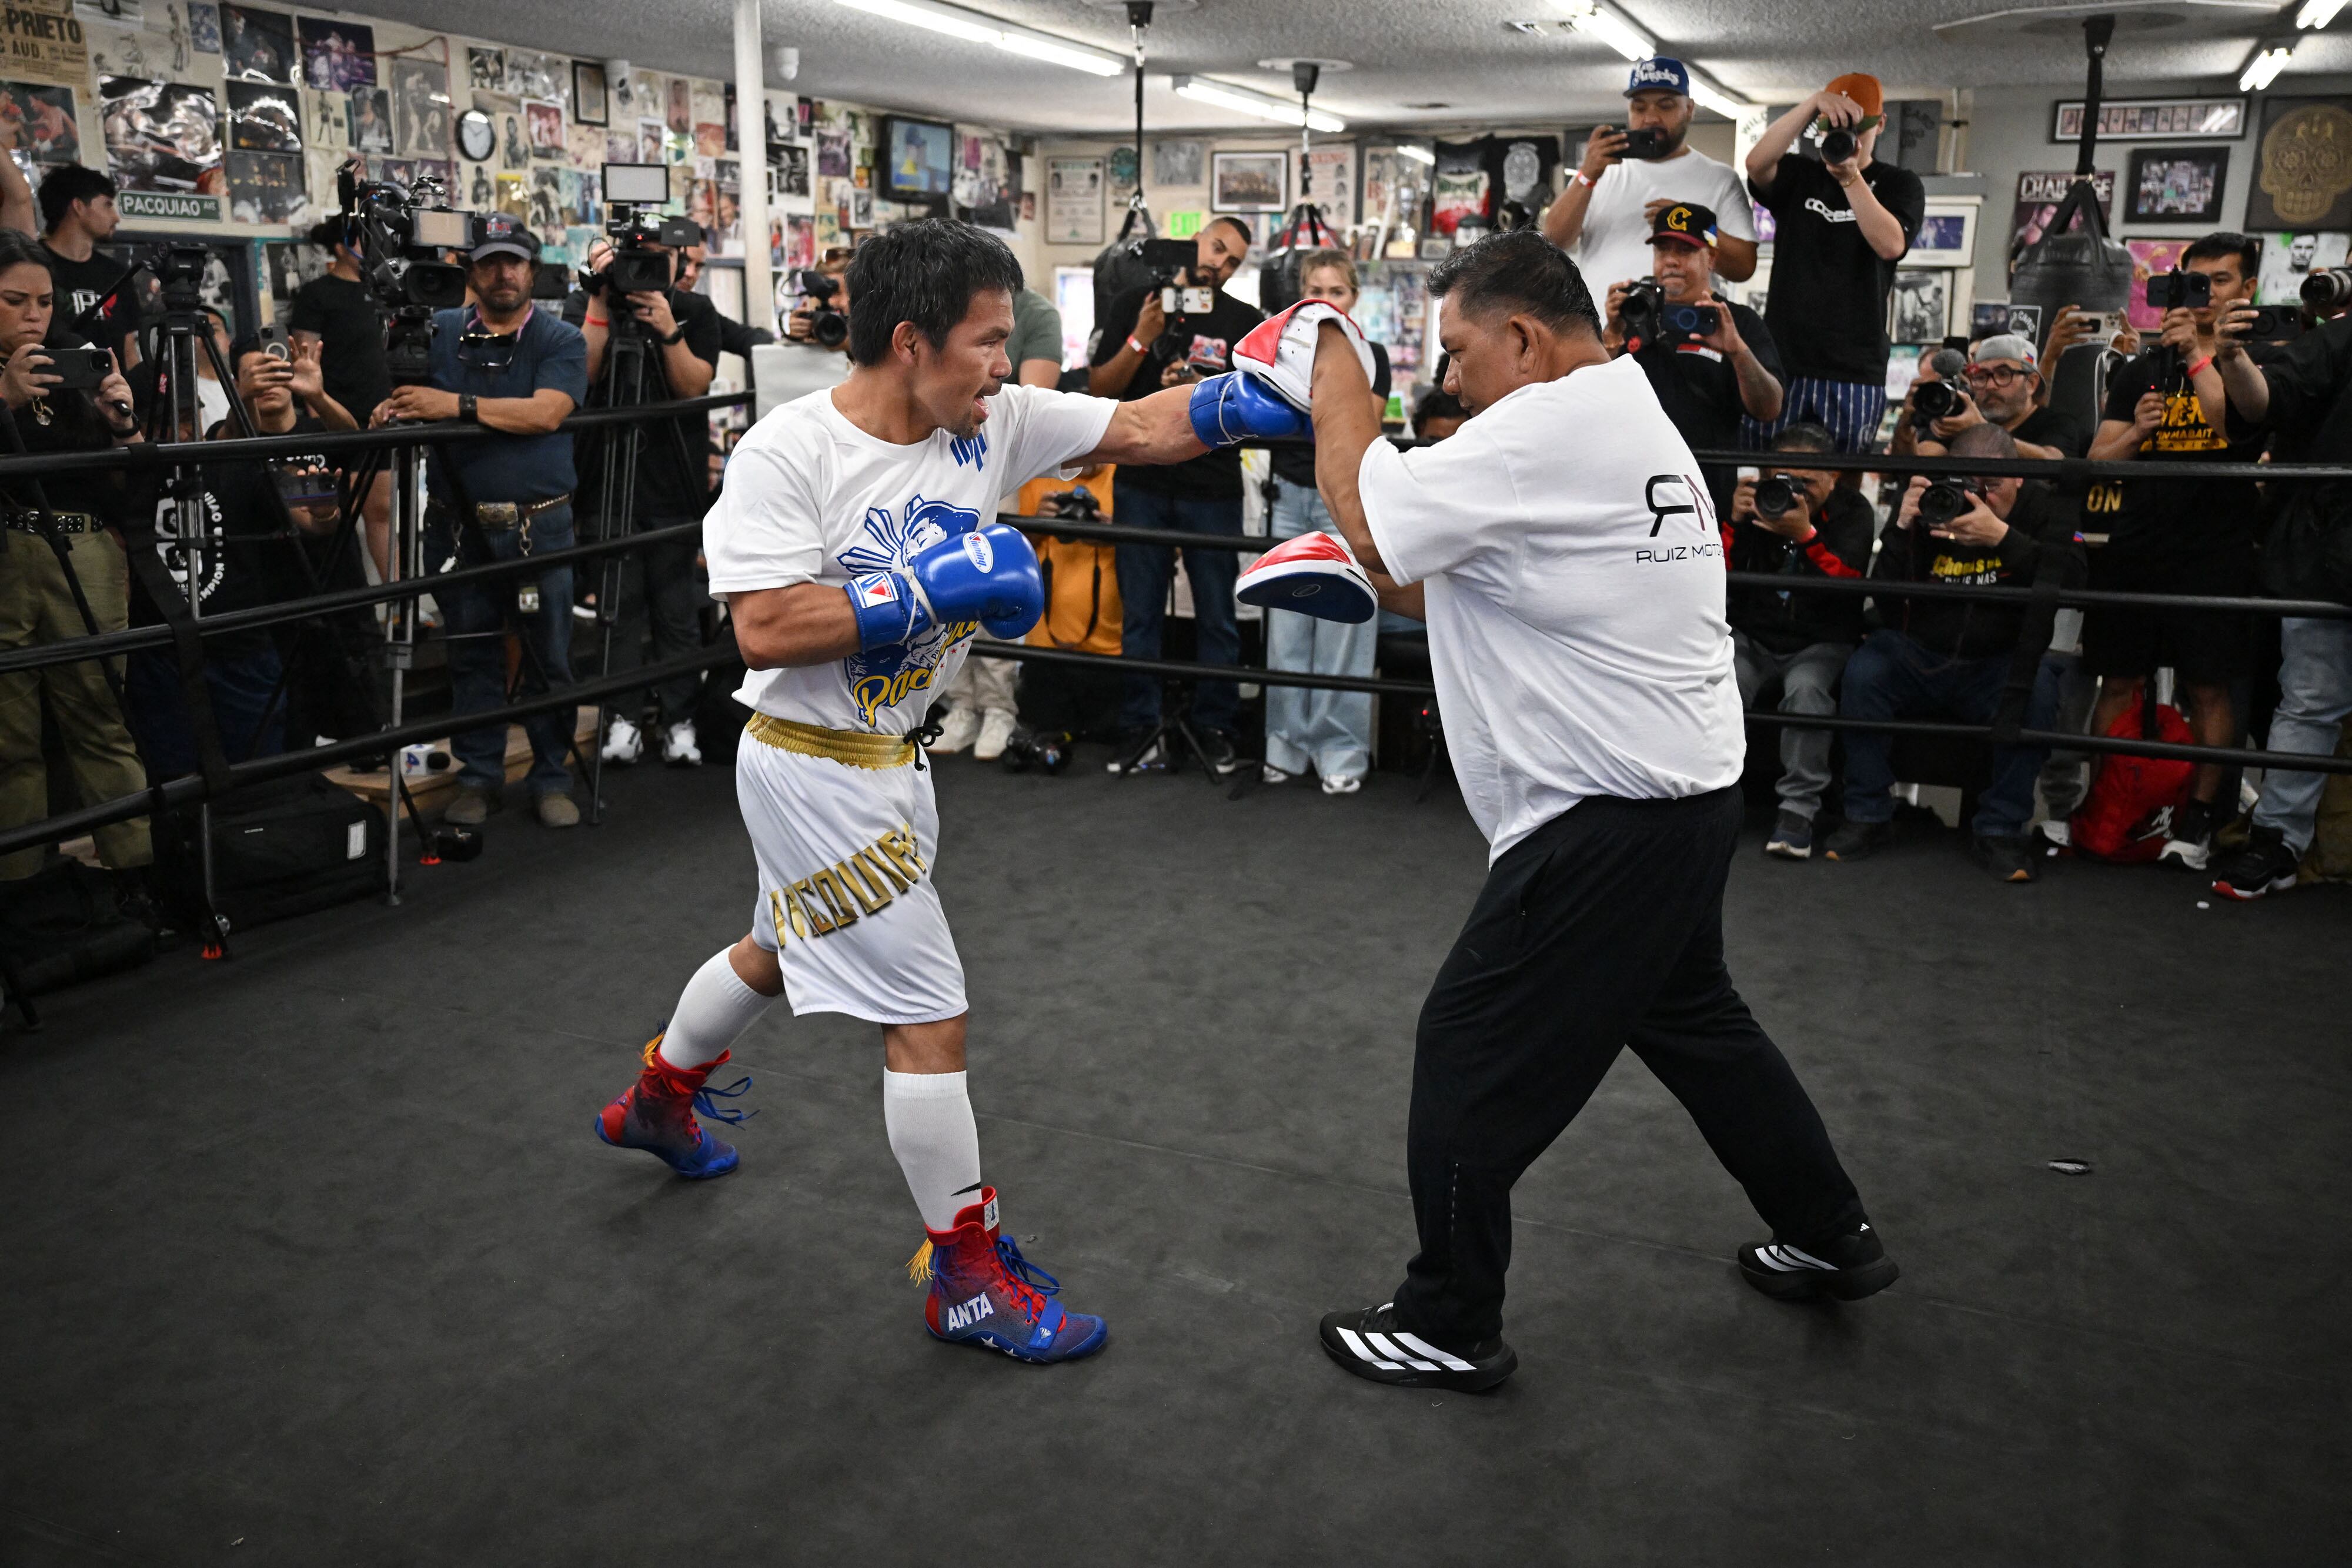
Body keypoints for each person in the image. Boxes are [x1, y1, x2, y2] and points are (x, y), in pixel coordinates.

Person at [593, 218, 1305, 1365]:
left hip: (894, 756)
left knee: (776, 945)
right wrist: (923, 592)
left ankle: (659, 1098)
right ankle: (966, 1277)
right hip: (811, 765)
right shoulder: (790, 453)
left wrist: (1260, 399)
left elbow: (1136, 425)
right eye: (985, 341)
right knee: (927, 1015)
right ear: (910, 341)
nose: (1003, 363)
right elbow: (764, 625)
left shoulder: (991, 419)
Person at [1289, 229, 1890, 1393]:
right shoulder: (1625, 408)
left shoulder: (1545, 426)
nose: (1450, 378)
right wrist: (1354, 563)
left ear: (1522, 340)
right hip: (1684, 795)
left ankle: (1448, 1317)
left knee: (1467, 1045)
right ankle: (1830, 1228)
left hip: (1607, 819)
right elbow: (1463, 575)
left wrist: (1328, 357)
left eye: (1459, 352)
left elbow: (1370, 513)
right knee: (1696, 1021)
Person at [371, 213, 587, 828]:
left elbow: (546, 414)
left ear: (532, 270)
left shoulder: (559, 338)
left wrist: (455, 405)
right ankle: (479, 776)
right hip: (457, 525)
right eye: (490, 262)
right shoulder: (437, 331)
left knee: (549, 659)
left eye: (512, 261)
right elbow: (406, 400)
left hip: (538, 525)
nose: (502, 274)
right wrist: (396, 408)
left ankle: (552, 776)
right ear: (471, 271)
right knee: (471, 655)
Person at [1824, 423, 2084, 882]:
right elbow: (1883, 597)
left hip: (2000, 661)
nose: (1977, 498)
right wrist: (1902, 527)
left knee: (2040, 689)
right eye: (1969, 484)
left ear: (2019, 477)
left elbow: (2078, 578)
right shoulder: (1935, 501)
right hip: (1921, 653)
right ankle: (1867, 814)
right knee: (1866, 669)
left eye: (1992, 486)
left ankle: (2001, 828)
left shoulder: (2043, 508)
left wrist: (2002, 537)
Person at [2079, 232, 2265, 871]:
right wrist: (2137, 432)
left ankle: (2200, 819)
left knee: (2210, 686)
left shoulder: (2253, 362)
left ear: (2247, 289)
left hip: (2216, 548)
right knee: (2117, 679)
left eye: (2219, 280)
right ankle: (2105, 802)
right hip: (2138, 543)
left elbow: (2237, 435)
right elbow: (2097, 461)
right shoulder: (2142, 368)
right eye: (2194, 281)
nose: (2204, 293)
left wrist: (2195, 356)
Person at [0, 229, 150, 892]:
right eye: (14, 301)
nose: (33, 315)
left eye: (44, 300)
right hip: (7, 550)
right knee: (8, 740)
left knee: (101, 719)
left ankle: (139, 879)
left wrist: (121, 421)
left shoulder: (74, 358)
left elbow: (128, 486)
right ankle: (21, 895)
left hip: (83, 546)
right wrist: (3, 399)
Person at [1087, 215, 1264, 775]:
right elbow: (1099, 390)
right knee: (1139, 613)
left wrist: (1203, 392)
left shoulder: (1244, 321)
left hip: (1211, 485)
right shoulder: (1133, 303)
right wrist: (1142, 336)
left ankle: (1215, 726)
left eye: (1233, 261)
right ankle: (1140, 726)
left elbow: (1258, 406)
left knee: (1218, 615)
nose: (1220, 264)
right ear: (1193, 242)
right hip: (1142, 479)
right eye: (1217, 248)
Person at [122, 340, 347, 773]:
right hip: (160, 654)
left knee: (259, 772)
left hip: (240, 646)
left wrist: (325, 511)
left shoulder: (230, 457)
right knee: (174, 776)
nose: (179, 434)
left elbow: (313, 518)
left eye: (186, 418)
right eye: (162, 423)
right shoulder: (126, 476)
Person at [2200, 274, 2352, 901]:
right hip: (2330, 549)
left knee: (2309, 701)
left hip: (2325, 545)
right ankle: (2278, 841)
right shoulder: (2338, 341)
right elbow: (2264, 401)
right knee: (2310, 700)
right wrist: (2231, 357)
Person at [564, 228, 722, 770]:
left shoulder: (694, 310)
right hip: (607, 480)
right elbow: (582, 377)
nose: (648, 268)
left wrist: (668, 329)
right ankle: (623, 719)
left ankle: (680, 720)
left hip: (674, 482)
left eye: (660, 259)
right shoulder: (590, 303)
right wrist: (599, 300)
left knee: (677, 611)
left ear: (677, 261)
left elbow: (693, 385)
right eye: (638, 258)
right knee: (618, 609)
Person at [1260, 249, 1389, 794]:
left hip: (1345, 497)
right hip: (1288, 492)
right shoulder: (1281, 352)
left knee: (1344, 626)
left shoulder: (1371, 355)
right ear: (1301, 296)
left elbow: (1362, 426)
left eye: (1337, 291)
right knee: (1285, 627)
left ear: (1354, 297)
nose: (1326, 301)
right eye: (1316, 290)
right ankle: (1285, 746)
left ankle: (1341, 750)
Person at [1742, 73, 1925, 452]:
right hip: (1784, 359)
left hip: (1854, 366)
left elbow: (1891, 245)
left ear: (1881, 125)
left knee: (1843, 472)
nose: (1847, 137)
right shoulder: (1799, 175)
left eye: (1859, 127)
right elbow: (1756, 164)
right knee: (1766, 465)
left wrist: (1851, 178)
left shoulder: (1899, 183)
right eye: (1835, 127)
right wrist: (1812, 103)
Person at [1724, 422, 1874, 860]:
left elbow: (1849, 583)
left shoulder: (1853, 511)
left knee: (1807, 694)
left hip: (1820, 640)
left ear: (1834, 477)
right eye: (1785, 479)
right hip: (1754, 635)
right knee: (1719, 683)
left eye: (1808, 481)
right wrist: (1733, 522)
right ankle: (1711, 795)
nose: (1795, 491)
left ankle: (1798, 810)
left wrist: (1805, 535)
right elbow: (1712, 572)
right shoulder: (1758, 501)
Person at [932, 282, 1064, 761]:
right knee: (947, 583)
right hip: (939, 453)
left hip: (993, 455)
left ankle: (999, 706)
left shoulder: (1038, 314)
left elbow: (1033, 401)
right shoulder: (944, 302)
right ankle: (962, 703)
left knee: (992, 585)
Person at [1603, 201, 1782, 521]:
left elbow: (1769, 409)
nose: (1671, 261)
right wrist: (1612, 333)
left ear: (1711, 258)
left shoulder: (1739, 321)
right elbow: (1591, 401)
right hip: (1635, 487)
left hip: (1708, 492)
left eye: (1684, 251)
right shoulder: (1632, 316)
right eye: (1663, 250)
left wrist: (1737, 351)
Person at [1544, 56, 1759, 293]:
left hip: (1686, 316)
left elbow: (1744, 268)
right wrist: (1587, 175)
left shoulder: (1720, 178)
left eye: (1666, 106)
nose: (1651, 118)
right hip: (1602, 316)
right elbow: (1553, 240)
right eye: (1639, 108)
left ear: (1689, 109)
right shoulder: (1601, 171)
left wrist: (1693, 223)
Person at [290, 218, 394, 578]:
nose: (373, 248)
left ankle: (398, 596)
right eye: (364, 241)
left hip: (379, 414)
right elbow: (305, 361)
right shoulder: (318, 294)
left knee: (380, 510)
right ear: (341, 247)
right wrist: (315, 416)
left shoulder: (382, 293)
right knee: (335, 512)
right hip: (334, 415)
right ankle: (343, 592)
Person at [24, 166, 136, 369]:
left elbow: (129, 353)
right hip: (48, 384)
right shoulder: (32, 266)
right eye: (107, 205)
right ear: (78, 206)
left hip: (111, 386)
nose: (116, 218)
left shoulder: (118, 274)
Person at [1910, 335, 2086, 462]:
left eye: (2003, 374)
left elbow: (2052, 463)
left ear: (2031, 384)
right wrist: (1906, 424)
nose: (1990, 386)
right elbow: (1921, 459)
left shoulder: (2057, 424)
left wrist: (1980, 430)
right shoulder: (1961, 420)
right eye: (1981, 377)